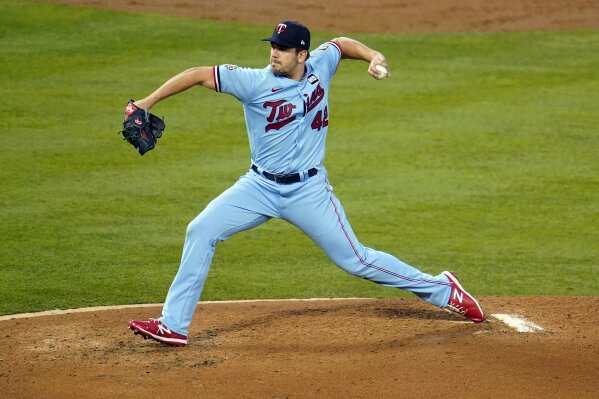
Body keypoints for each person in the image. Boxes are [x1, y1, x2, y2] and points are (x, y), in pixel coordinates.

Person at [127, 20, 484, 347]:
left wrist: (374, 56)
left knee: (356, 259)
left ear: (302, 54)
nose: (274, 53)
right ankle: (174, 324)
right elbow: (197, 74)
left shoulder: (320, 66)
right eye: (273, 46)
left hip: (308, 191)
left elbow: (341, 44)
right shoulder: (253, 81)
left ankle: (443, 290)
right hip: (258, 187)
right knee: (200, 230)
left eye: (282, 48)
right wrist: (147, 101)